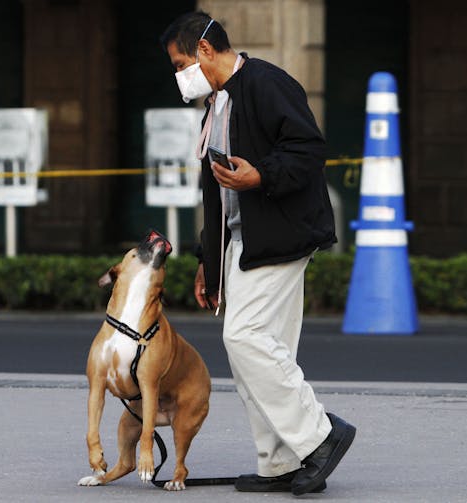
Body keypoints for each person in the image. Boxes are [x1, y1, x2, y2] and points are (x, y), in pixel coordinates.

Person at [160, 12, 356, 495]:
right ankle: (281, 463)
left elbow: (309, 149)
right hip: (242, 241)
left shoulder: (267, 84)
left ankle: (320, 436)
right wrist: (209, 260)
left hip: (282, 235)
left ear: (205, 51)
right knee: (264, 351)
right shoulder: (216, 105)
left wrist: (260, 175)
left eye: (181, 63)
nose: (179, 74)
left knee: (244, 338)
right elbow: (214, 196)